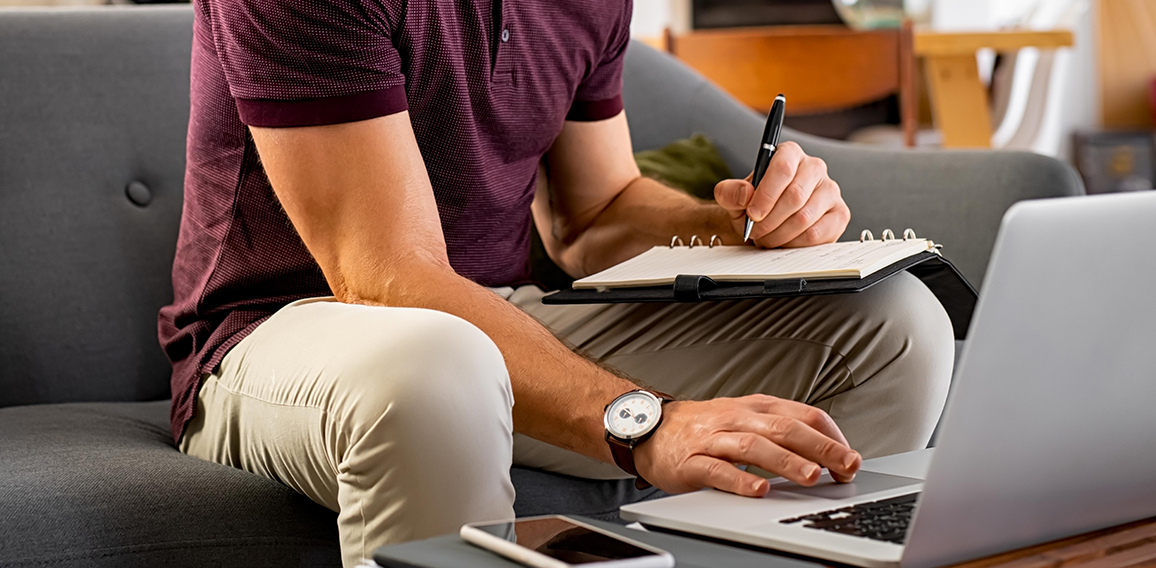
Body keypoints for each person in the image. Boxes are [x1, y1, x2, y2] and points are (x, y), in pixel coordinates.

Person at [158, 0, 955, 566]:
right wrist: (646, 424)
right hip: (273, 335)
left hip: (484, 322)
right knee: (439, 366)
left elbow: (592, 216)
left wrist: (746, 224)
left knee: (894, 324)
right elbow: (385, 274)